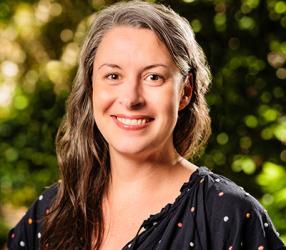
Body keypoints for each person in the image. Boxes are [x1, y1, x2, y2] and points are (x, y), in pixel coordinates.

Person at [7, 1, 286, 249]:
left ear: (185, 92)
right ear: (91, 87)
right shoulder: (53, 209)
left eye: (154, 77)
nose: (130, 99)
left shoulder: (229, 215)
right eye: (113, 75)